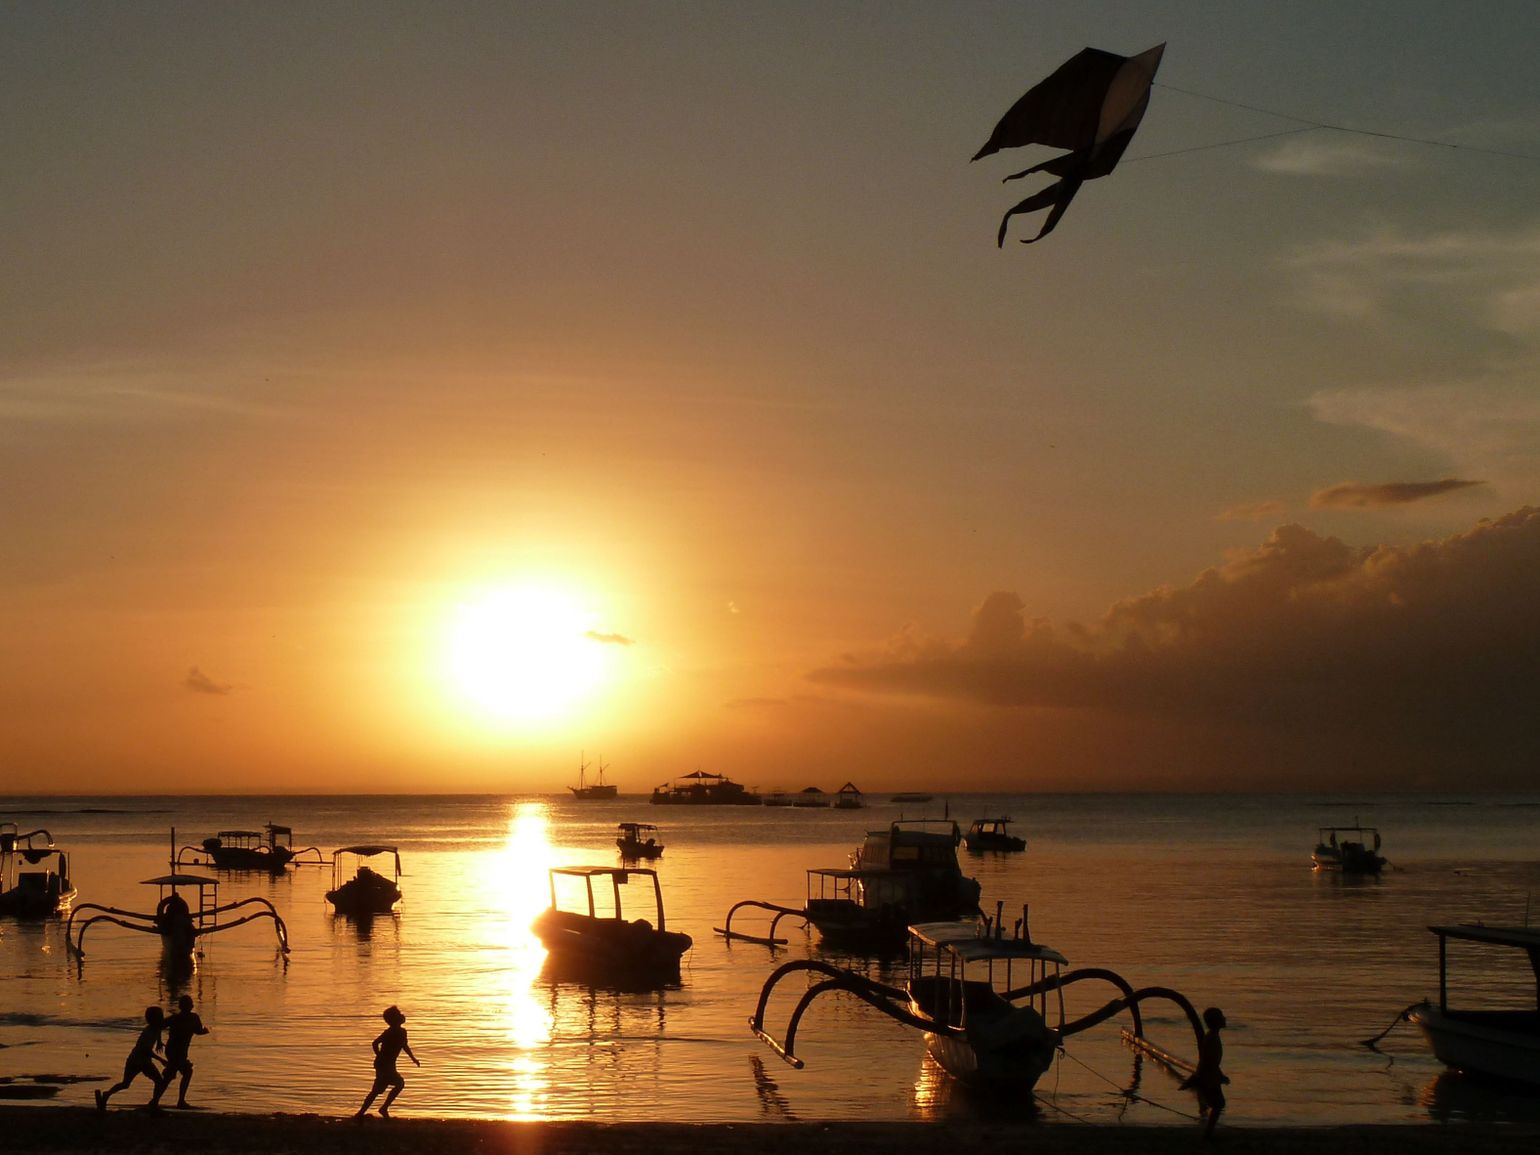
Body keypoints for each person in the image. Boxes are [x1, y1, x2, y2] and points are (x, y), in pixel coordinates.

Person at [354, 1005, 419, 1119]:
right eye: (399, 1014)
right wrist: (380, 1056)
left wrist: (413, 1059)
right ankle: (368, 1112)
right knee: (393, 1085)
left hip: (388, 1064)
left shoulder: (402, 1032)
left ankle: (367, 1112)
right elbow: (375, 1043)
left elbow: (404, 1046)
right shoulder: (390, 1032)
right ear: (394, 1019)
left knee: (382, 1089)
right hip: (383, 1065)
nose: (402, 1016)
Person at [96, 1006, 166, 1111]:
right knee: (128, 1084)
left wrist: (159, 1042)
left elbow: (159, 1030)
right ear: (154, 1019)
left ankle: (154, 1103)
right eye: (160, 1017)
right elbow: (146, 1050)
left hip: (139, 1060)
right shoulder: (148, 1032)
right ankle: (154, 1104)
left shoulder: (157, 1027)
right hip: (138, 1061)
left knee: (129, 1083)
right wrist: (161, 1060)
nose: (162, 1019)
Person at [150, 994, 209, 1108]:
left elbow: (197, 1031)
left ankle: (156, 1101)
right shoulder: (177, 1018)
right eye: (188, 1004)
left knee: (174, 1075)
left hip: (180, 1051)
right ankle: (171, 1101)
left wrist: (204, 1031)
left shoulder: (192, 1018)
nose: (190, 1006)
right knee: (179, 1074)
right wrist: (158, 1041)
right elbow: (158, 1026)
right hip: (173, 1050)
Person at [1181, 1006, 1230, 1140]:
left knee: (1217, 1103)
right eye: (1221, 1017)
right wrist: (1198, 1077)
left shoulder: (1212, 1036)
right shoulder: (1211, 1038)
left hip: (1211, 1075)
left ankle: (1208, 1131)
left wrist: (1221, 1075)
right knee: (1218, 1104)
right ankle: (1208, 1133)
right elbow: (1206, 1060)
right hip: (1208, 1077)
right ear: (1216, 1022)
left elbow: (1211, 1061)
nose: (1224, 1018)